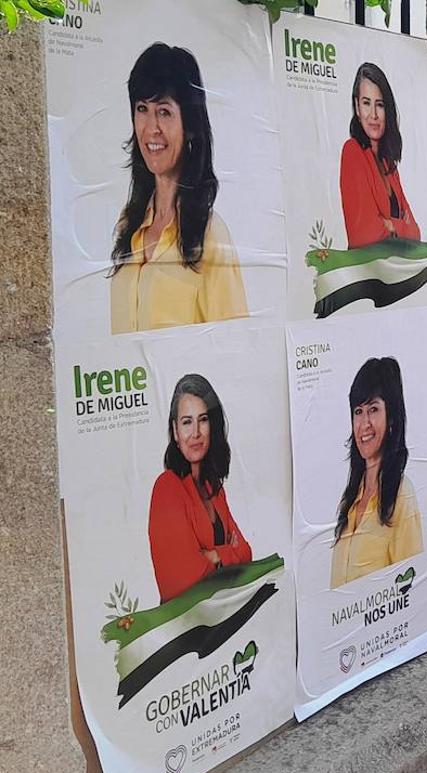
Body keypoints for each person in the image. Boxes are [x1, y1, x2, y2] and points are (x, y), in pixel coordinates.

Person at [109, 43, 247, 335]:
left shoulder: (210, 236)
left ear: (191, 126)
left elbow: (235, 348)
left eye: (165, 112)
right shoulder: (128, 224)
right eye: (142, 109)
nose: (151, 128)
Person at [149, 374, 251, 603]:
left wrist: (213, 555)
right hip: (187, 629)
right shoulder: (167, 488)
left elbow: (245, 552)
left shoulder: (213, 488)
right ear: (175, 431)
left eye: (202, 420)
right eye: (186, 422)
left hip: (222, 615)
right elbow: (185, 580)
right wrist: (227, 554)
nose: (195, 433)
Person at [331, 357, 423, 589]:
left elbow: (409, 581)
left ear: (390, 417)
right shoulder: (350, 497)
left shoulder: (402, 494)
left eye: (373, 409)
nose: (364, 423)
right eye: (358, 411)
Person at [340, 63, 422, 250]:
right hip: (367, 275)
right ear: (357, 107)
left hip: (394, 273)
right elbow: (364, 235)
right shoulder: (352, 151)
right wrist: (401, 226)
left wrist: (390, 225)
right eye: (366, 103)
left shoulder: (388, 164)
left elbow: (416, 233)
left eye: (380, 105)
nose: (374, 115)